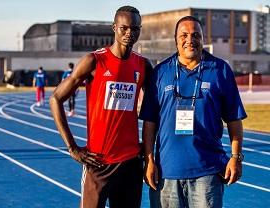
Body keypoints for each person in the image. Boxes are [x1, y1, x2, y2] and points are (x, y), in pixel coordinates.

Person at [50, 5, 152, 208]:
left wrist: (147, 149)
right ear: (114, 28)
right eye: (124, 28)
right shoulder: (94, 61)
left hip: (130, 162)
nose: (129, 33)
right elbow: (56, 99)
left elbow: (154, 111)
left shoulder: (143, 65)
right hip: (98, 162)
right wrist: (72, 147)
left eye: (135, 29)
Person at [139, 16, 247, 208]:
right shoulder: (160, 73)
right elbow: (150, 122)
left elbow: (234, 119)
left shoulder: (220, 70)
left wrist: (236, 157)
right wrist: (149, 160)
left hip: (207, 171)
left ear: (203, 38)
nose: (190, 40)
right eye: (184, 35)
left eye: (196, 35)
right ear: (176, 39)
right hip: (167, 172)